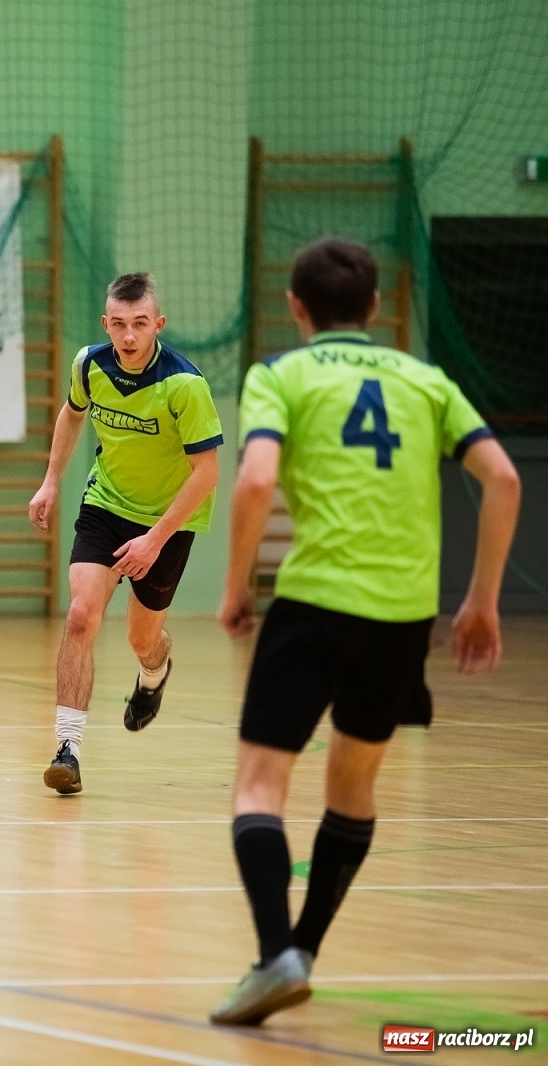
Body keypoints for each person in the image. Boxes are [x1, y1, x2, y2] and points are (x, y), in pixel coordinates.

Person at [210, 237, 520, 1026]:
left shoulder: (282, 374)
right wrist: (481, 600)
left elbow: (254, 479)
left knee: (256, 788)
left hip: (315, 601)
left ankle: (276, 952)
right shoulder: (427, 380)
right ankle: (301, 952)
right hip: (402, 615)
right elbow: (504, 479)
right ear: (377, 308)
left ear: (297, 307)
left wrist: (239, 584)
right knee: (353, 788)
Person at [27, 273, 223, 794]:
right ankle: (67, 750)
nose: (129, 337)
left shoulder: (185, 385)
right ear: (105, 324)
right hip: (106, 505)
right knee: (80, 615)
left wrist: (155, 539)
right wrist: (50, 483)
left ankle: (154, 673)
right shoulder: (89, 364)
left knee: (141, 638)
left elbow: (207, 473)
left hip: (167, 522)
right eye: (119, 325)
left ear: (158, 324)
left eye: (140, 325)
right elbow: (71, 418)